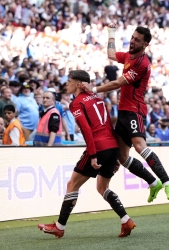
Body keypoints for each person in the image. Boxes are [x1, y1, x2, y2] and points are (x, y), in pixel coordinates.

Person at [81, 24, 169, 202]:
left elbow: (118, 83)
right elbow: (110, 55)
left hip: (135, 110)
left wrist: (93, 89)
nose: (132, 42)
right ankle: (152, 182)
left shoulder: (142, 63)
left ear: (145, 44)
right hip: (124, 112)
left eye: (137, 40)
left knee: (140, 146)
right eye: (132, 38)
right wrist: (111, 33)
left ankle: (167, 182)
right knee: (122, 157)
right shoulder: (128, 56)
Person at [38, 70, 135, 238]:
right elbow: (108, 126)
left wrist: (93, 154)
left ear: (77, 84)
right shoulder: (99, 99)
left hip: (98, 147)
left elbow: (86, 130)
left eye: (69, 81)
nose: (66, 84)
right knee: (102, 187)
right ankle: (126, 220)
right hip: (111, 146)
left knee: (72, 185)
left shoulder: (77, 103)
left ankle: (59, 227)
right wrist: (115, 153)